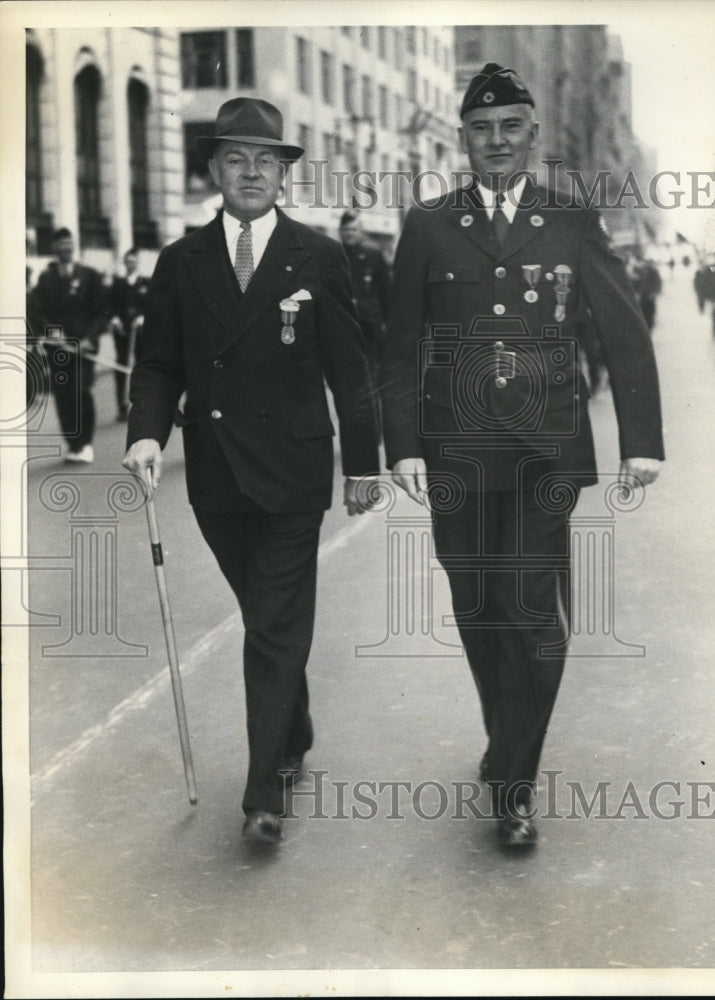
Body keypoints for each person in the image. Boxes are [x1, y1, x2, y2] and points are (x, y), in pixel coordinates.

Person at [382, 64, 664, 850]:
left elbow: (621, 330)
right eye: (482, 129)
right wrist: (400, 447)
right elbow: (398, 346)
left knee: (533, 616)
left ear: (532, 137)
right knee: (478, 607)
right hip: (456, 456)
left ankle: (513, 783)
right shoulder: (429, 225)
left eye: (511, 128)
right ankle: (505, 738)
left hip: (546, 452)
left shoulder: (570, 221)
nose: (496, 142)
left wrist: (640, 443)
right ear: (462, 139)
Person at [122, 98, 380, 845]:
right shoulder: (181, 261)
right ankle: (293, 730)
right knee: (269, 619)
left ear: (284, 174)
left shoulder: (319, 256)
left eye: (265, 160)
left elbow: (350, 371)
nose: (250, 173)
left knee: (270, 624)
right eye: (234, 159)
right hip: (216, 474)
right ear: (213, 170)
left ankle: (264, 789)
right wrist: (144, 434)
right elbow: (159, 361)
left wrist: (360, 467)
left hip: (295, 471)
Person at [33, 227, 108, 463]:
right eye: (60, 244)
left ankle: (85, 443)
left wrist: (90, 338)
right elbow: (38, 311)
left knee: (81, 392)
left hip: (83, 348)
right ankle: (72, 444)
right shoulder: (46, 279)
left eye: (68, 243)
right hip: (58, 349)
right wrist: (54, 334)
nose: (65, 248)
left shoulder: (89, 276)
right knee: (63, 396)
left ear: (73, 246)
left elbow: (102, 311)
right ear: (54, 248)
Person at [338, 209, 392, 434]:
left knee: (371, 380)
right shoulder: (333, 255)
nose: (350, 234)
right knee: (348, 383)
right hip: (343, 333)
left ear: (361, 231)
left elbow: (387, 295)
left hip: (370, 331)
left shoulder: (373, 256)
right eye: (347, 230)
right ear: (340, 232)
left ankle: (373, 428)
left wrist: (389, 327)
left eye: (354, 229)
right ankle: (354, 427)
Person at [110, 248, 150, 421]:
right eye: (128, 261)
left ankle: (142, 403)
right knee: (121, 366)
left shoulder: (146, 283)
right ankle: (121, 406)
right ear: (124, 263)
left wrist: (143, 317)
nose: (131, 264)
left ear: (137, 263)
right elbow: (110, 305)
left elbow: (153, 305)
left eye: (134, 261)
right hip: (122, 331)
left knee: (141, 366)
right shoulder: (117, 284)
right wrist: (115, 318)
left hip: (141, 332)